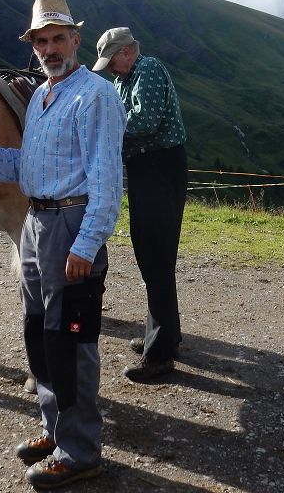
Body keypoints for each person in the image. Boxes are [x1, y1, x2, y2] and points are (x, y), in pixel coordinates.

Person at [0, 0, 125, 490]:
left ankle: (80, 452)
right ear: (33, 47)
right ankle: (55, 430)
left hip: (71, 224)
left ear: (76, 40)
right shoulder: (42, 97)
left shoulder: (95, 95)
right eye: (41, 42)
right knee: (41, 334)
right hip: (36, 222)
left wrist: (86, 244)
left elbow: (106, 179)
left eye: (58, 39)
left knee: (72, 340)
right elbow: (25, 167)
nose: (50, 49)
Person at [92, 28, 187, 383]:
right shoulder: (123, 80)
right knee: (151, 254)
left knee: (156, 254)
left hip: (160, 167)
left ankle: (160, 354)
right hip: (145, 168)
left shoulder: (148, 68)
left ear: (127, 52)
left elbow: (145, 120)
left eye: (112, 60)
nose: (110, 68)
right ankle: (164, 335)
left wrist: (101, 131)